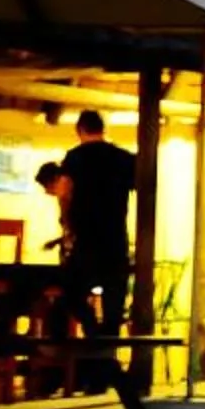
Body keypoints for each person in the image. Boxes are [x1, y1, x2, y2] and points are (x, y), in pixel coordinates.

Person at [57, 110, 138, 384]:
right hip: (115, 239)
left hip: (87, 239)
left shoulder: (75, 157)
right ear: (102, 129)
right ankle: (106, 369)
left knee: (69, 293)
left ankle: (93, 333)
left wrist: (67, 224)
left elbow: (64, 192)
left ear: (80, 130)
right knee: (115, 308)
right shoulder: (124, 159)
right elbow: (145, 189)